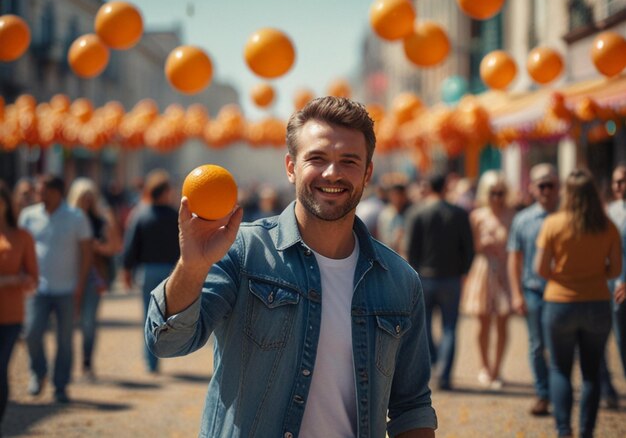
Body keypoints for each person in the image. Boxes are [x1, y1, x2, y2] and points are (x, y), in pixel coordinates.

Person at [146, 97, 437, 437]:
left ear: (367, 172)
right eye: (317, 158)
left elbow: (412, 407)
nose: (333, 173)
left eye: (349, 161)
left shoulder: (400, 281)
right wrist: (192, 267)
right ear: (290, 166)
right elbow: (167, 342)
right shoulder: (243, 251)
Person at [535, 168, 622, 438]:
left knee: (560, 369)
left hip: (559, 302)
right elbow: (616, 270)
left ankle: (563, 430)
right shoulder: (607, 226)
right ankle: (586, 431)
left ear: (566, 193)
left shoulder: (554, 223)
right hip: (596, 301)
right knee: (591, 372)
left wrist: (562, 275)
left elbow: (540, 268)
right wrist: (594, 274)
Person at [18, 175, 92, 403]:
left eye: (43, 191)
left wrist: (80, 283)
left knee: (64, 340)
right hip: (36, 289)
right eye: (38, 191)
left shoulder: (76, 217)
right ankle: (38, 372)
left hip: (66, 289)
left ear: (57, 192)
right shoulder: (28, 216)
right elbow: (21, 248)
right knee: (31, 333)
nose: (39, 195)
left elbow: (86, 252)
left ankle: (60, 385)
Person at [404, 172, 474, 391]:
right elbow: (469, 248)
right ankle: (445, 374)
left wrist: (412, 273)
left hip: (424, 276)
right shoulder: (459, 213)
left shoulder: (416, 212)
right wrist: (463, 271)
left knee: (423, 326)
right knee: (450, 327)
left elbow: (410, 248)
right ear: (445, 187)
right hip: (451, 278)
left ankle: (432, 366)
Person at [507, 163, 559, 416]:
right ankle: (543, 394)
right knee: (537, 345)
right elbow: (514, 259)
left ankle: (561, 392)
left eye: (551, 184)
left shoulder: (568, 216)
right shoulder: (523, 220)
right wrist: (516, 294)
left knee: (562, 345)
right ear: (532, 188)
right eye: (542, 185)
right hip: (535, 292)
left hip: (563, 293)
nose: (547, 190)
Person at [122, 169, 179, 374]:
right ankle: (159, 354)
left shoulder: (140, 214)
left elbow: (130, 246)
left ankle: (151, 360)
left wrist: (126, 271)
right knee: (167, 317)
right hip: (171, 272)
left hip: (146, 272)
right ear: (163, 192)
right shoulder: (175, 215)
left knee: (149, 316)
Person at [461, 170, 514, 390]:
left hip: (505, 271)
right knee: (482, 321)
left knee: (503, 321)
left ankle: (497, 369)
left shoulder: (512, 216)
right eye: (493, 192)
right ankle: (484, 366)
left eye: (501, 192)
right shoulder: (477, 216)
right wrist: (486, 244)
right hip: (483, 269)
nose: (497, 197)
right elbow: (473, 247)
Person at [67, 178, 122, 379]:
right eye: (83, 198)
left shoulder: (100, 221)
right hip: (67, 276)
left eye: (90, 198)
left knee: (88, 323)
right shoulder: (67, 220)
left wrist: (97, 248)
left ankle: (86, 363)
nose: (87, 202)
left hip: (93, 278)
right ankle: (64, 367)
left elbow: (115, 246)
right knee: (67, 324)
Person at [0, 180, 38, 434]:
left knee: (0, 369)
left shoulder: (22, 236)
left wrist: (15, 280)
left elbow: (33, 278)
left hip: (10, 316)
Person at [599, 162, 626, 408]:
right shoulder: (611, 211)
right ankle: (607, 388)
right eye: (616, 181)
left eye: (623, 181)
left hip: (622, 283)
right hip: (607, 283)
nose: (619, 186)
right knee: (599, 337)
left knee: (622, 339)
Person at [377, 179, 411, 254]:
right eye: (395, 195)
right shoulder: (386, 215)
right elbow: (384, 240)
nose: (398, 199)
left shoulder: (410, 213)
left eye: (401, 195)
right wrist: (396, 237)